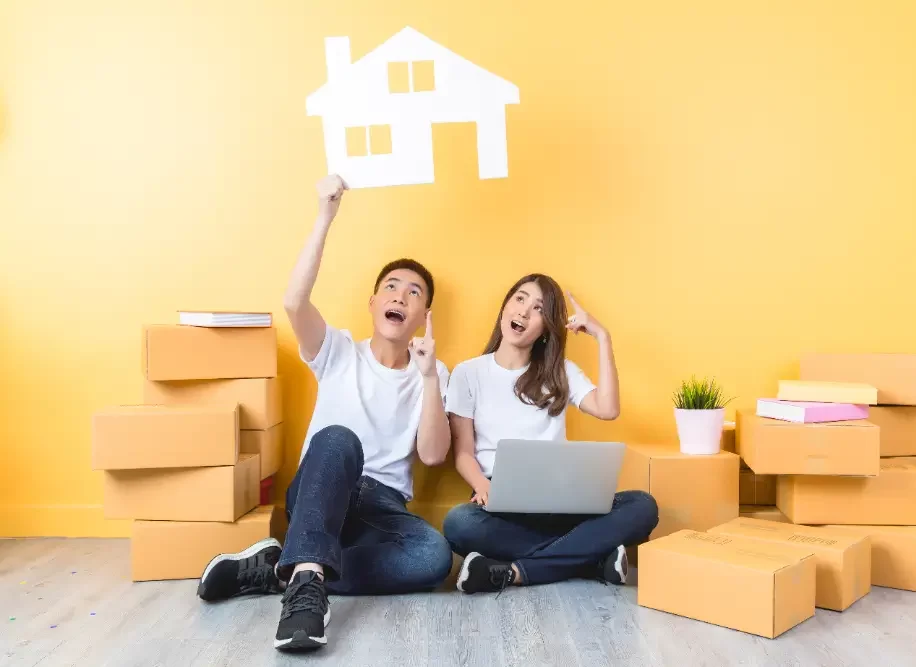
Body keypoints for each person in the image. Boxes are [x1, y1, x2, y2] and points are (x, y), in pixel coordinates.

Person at [196, 175, 454, 652]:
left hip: (381, 509)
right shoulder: (336, 350)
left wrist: (431, 378)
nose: (400, 296)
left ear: (423, 316)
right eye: (391, 287)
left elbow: (434, 456)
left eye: (414, 293)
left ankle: (286, 567)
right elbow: (294, 301)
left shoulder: (434, 374)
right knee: (339, 438)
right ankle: (310, 587)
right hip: (323, 487)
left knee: (434, 556)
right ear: (373, 303)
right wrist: (324, 215)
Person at [441, 274, 659, 594]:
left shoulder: (560, 372)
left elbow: (608, 409)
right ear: (505, 307)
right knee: (459, 523)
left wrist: (603, 337)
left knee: (643, 506)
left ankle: (515, 572)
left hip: (564, 506)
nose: (525, 311)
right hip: (501, 507)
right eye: (520, 298)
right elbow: (463, 453)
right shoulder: (468, 373)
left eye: (539, 308)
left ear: (546, 328)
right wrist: (482, 485)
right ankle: (591, 559)